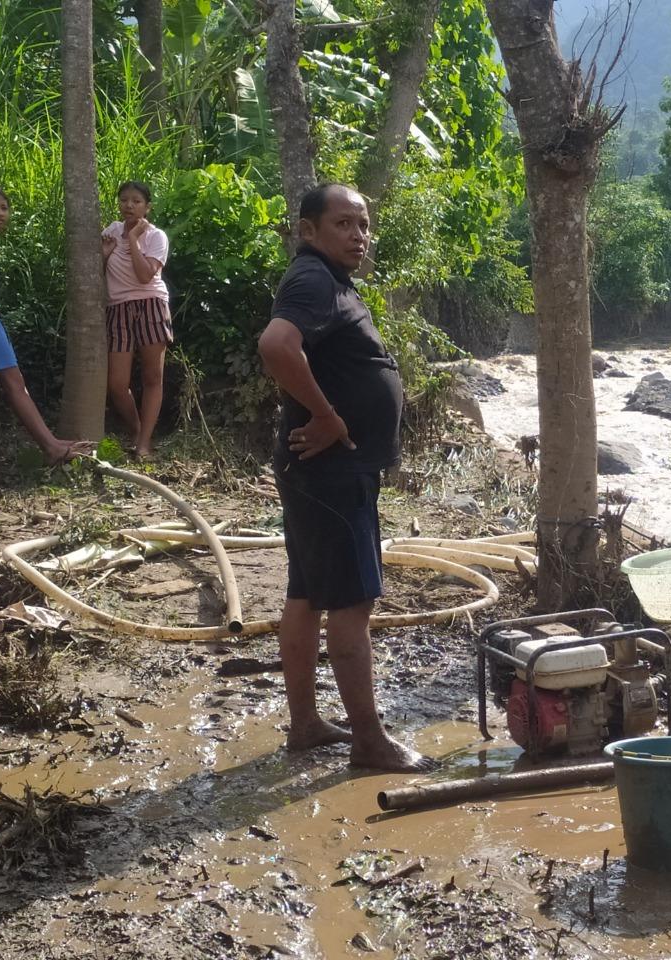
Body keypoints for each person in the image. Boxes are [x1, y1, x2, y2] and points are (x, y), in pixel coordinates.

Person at [258, 182, 434, 772]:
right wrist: (329, 416)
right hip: (332, 473)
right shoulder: (312, 278)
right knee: (353, 604)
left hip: (321, 473)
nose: (358, 235)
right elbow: (277, 345)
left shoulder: (329, 282)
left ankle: (306, 724)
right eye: (343, 224)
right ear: (308, 231)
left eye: (363, 225)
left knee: (306, 595)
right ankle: (369, 741)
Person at [0, 186, 89, 464]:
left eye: (4, 207)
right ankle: (51, 447)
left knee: (15, 383)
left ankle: (51, 444)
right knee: (14, 383)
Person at [102, 181, 172, 459]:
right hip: (118, 308)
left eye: (136, 201)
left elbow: (146, 276)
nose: (129, 206)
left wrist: (132, 239)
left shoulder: (156, 237)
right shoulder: (110, 231)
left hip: (151, 305)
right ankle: (137, 429)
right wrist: (105, 254)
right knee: (117, 383)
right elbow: (91, 271)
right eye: (124, 200)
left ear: (147, 207)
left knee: (152, 377)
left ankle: (144, 444)